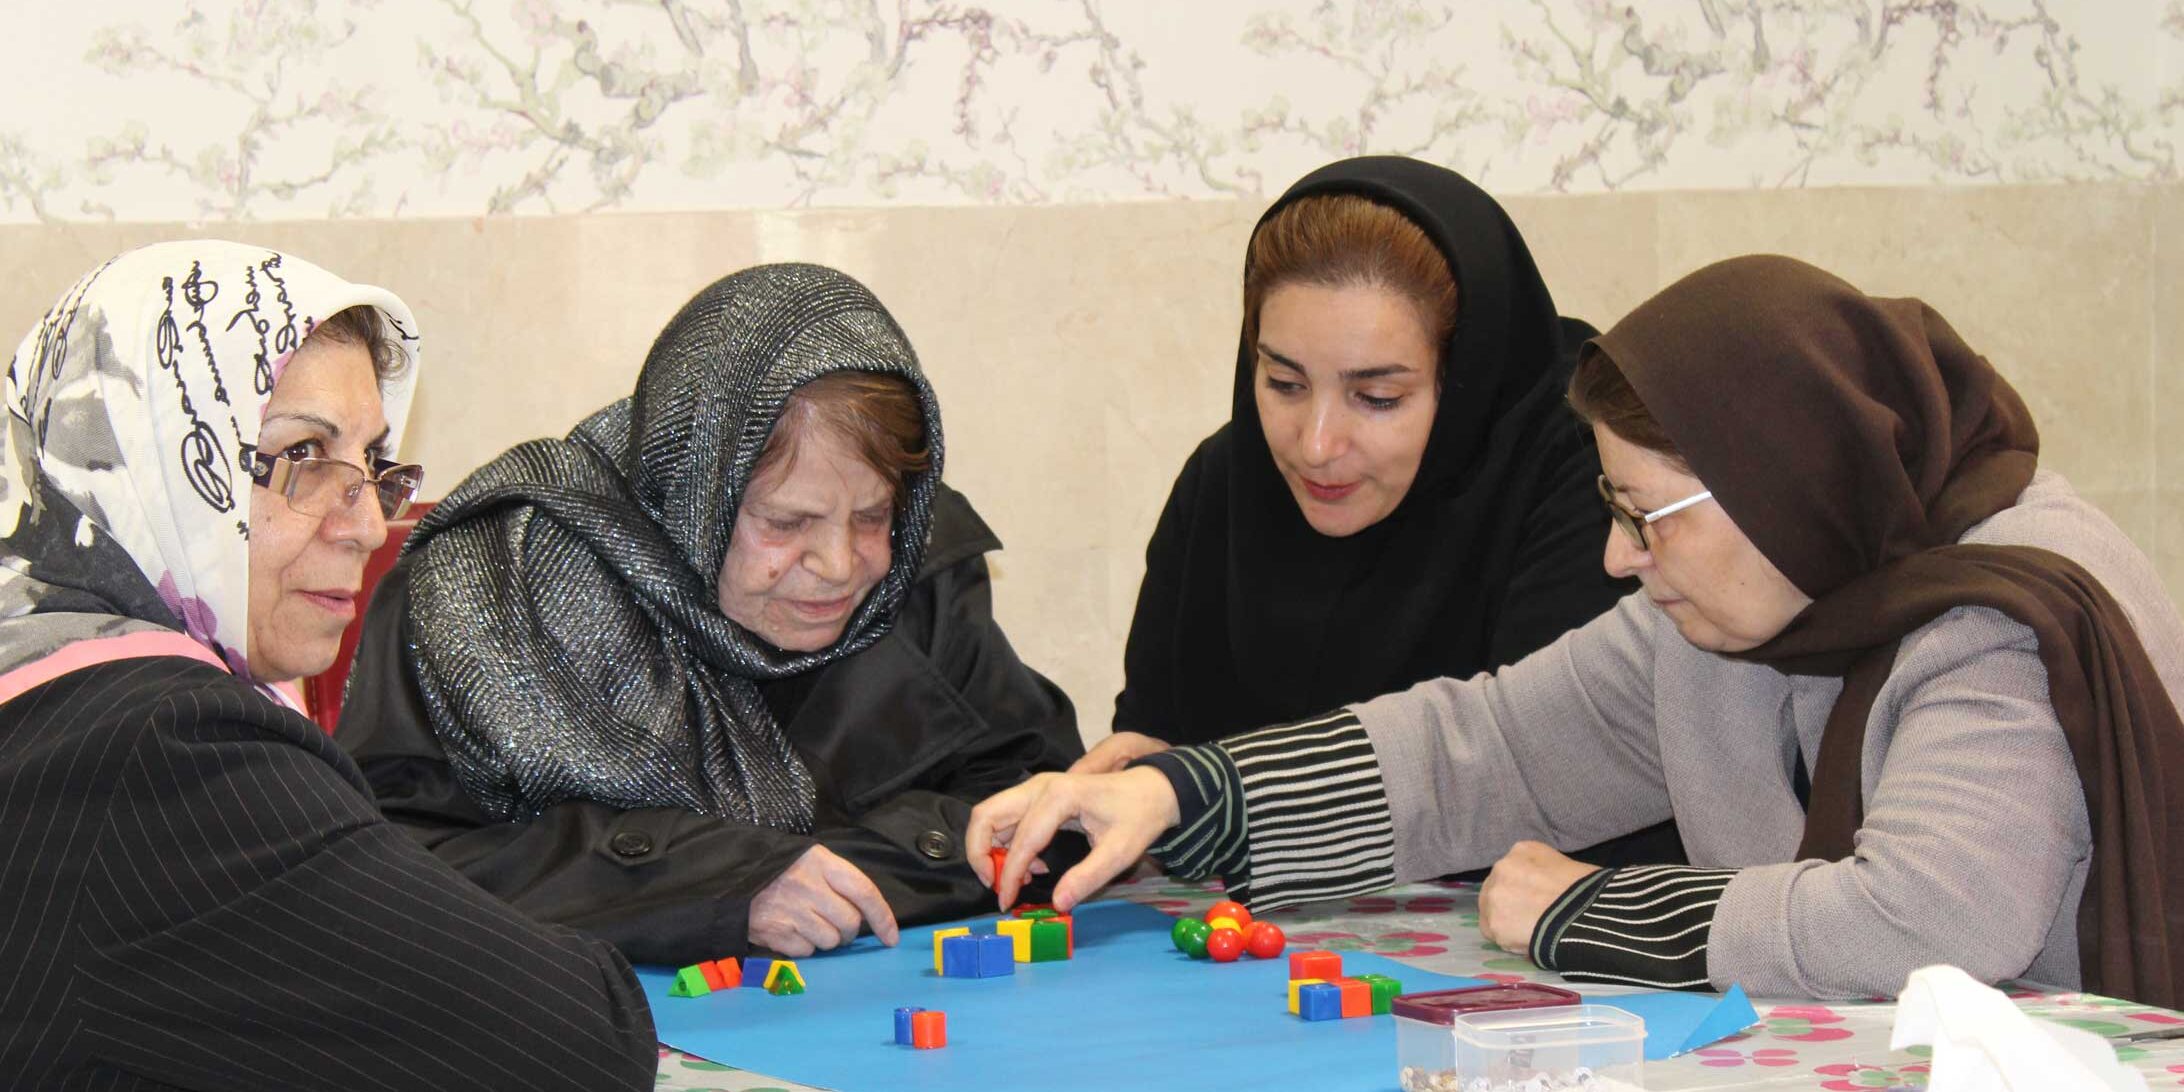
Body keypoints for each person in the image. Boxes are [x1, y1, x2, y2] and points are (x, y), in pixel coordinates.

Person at [971, 254, 2184, 1006]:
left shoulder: (2004, 619)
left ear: (1783, 489)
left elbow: (1931, 916)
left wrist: (1584, 913)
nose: (1616, 557)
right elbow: (1490, 745)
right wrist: (1186, 794)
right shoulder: (1745, 595)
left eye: (1644, 516)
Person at [0, 241, 655, 1089]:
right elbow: (578, 1041)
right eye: (304, 457)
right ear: (148, 467)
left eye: (373, 466)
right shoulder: (162, 750)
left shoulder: (47, 681)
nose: (370, 526)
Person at [341, 262, 1083, 965]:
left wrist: (830, 875)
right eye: (786, 523)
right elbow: (387, 865)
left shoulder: (917, 571)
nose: (840, 564)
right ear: (691, 496)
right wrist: (709, 882)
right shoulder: (490, 586)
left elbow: (1049, 807)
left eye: (872, 515)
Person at [1084, 157, 1627, 770]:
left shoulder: (1588, 479)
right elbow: (1153, 733)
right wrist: (1129, 777)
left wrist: (1205, 793)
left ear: (1469, 384)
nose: (1316, 446)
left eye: (1377, 397)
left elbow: (1535, 767)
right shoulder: (1227, 480)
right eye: (1284, 383)